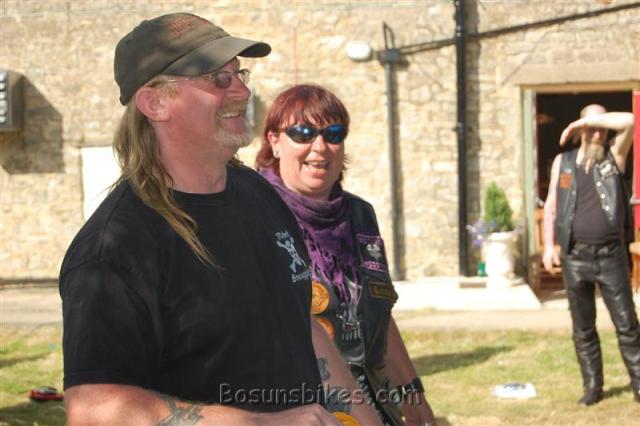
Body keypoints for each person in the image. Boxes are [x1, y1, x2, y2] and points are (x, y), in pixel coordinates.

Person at [59, 13, 380, 425]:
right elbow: (92, 409)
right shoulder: (116, 248)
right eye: (219, 79)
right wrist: (260, 423)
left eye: (239, 74)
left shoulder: (258, 195)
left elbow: (301, 326)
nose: (243, 91)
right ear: (156, 103)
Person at [256, 84, 437, 426]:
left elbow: (378, 317)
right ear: (275, 141)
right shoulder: (254, 213)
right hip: (292, 406)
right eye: (303, 133)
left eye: (333, 134)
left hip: (371, 399)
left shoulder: (359, 215)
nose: (319, 146)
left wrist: (414, 398)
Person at [543, 104, 640, 406]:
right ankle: (593, 387)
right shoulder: (563, 162)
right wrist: (549, 246)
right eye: (591, 127)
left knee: (627, 325)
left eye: (602, 127)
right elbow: (552, 205)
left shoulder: (614, 157)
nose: (598, 133)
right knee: (583, 328)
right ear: (581, 131)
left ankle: (639, 384)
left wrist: (588, 121)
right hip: (575, 256)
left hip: (611, 256)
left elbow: (630, 121)